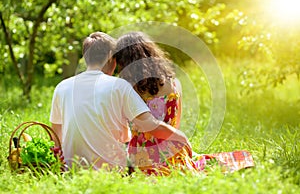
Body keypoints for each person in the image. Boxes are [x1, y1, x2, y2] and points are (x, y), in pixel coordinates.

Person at [114, 31, 255, 175]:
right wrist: (178, 140)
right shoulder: (174, 83)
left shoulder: (129, 89)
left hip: (142, 156)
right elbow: (176, 123)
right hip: (174, 150)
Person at [49, 32, 191, 171]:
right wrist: (182, 138)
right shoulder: (119, 86)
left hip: (72, 167)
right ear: (111, 57)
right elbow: (151, 125)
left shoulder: (62, 87)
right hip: (112, 167)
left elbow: (55, 136)